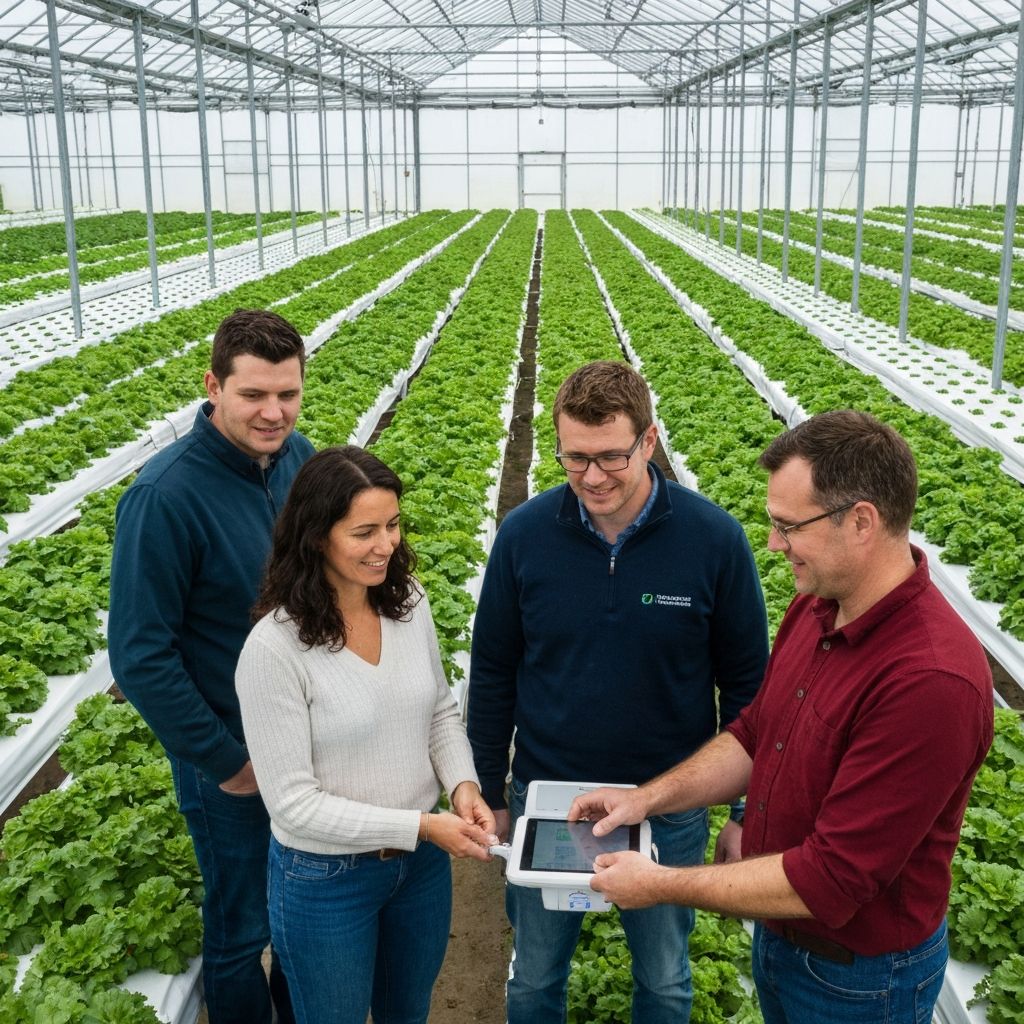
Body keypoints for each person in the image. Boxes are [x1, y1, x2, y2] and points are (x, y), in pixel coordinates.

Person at [569, 410, 995, 1024]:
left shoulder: (929, 681)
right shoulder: (819, 606)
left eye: (789, 526)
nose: (773, 543)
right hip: (781, 936)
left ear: (862, 522)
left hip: (859, 982)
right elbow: (754, 736)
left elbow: (831, 877)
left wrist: (659, 882)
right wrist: (645, 800)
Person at [467, 360, 769, 1024]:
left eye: (611, 457)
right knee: (533, 977)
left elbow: (750, 685)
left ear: (649, 440)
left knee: (664, 979)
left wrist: (747, 810)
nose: (593, 477)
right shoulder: (524, 536)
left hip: (669, 802)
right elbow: (491, 670)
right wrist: (492, 791)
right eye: (575, 458)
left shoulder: (713, 539)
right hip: (550, 794)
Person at [234, 445, 497, 1024]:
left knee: (408, 1012)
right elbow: (293, 805)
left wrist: (463, 786)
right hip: (326, 880)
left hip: (420, 868)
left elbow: (438, 711)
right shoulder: (274, 649)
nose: (387, 545)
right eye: (364, 532)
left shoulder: (409, 603)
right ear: (316, 537)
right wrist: (421, 825)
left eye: (393, 525)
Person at [108, 308, 315, 1024]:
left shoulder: (297, 458)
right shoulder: (164, 497)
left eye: (287, 393)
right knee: (240, 926)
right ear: (213, 386)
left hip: (304, 740)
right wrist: (228, 763)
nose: (273, 412)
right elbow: (140, 655)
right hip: (231, 754)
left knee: (300, 906)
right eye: (253, 394)